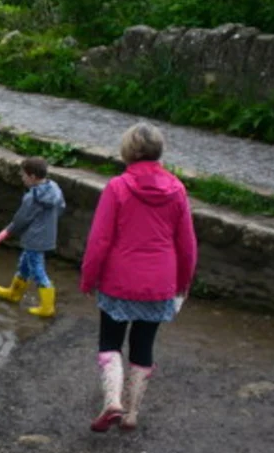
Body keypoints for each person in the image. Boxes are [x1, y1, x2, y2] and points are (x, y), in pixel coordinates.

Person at [78, 122, 198, 433]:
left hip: (120, 279)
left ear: (127, 151)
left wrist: (88, 277)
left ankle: (112, 401)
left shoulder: (118, 187)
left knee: (110, 342)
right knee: (144, 346)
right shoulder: (177, 190)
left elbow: (99, 239)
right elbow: (186, 245)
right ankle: (131, 413)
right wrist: (183, 283)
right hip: (160, 281)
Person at [0, 156, 66, 318]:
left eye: (23, 175)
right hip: (47, 234)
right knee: (24, 263)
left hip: (34, 238)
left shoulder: (32, 198)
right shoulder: (54, 188)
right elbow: (61, 208)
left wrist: (8, 231)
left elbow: (21, 220)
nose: (22, 178)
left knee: (37, 270)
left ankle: (47, 307)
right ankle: (14, 292)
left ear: (32, 177)